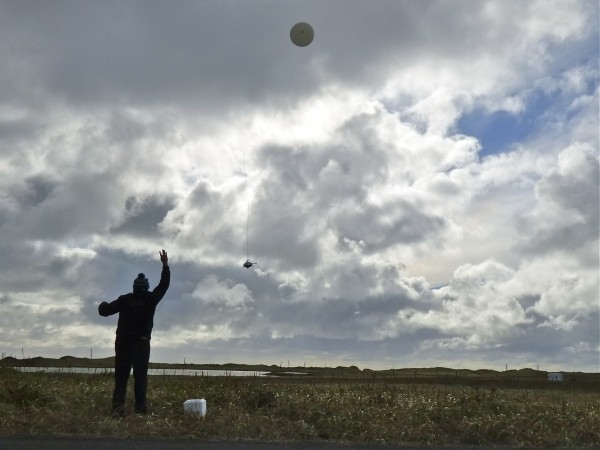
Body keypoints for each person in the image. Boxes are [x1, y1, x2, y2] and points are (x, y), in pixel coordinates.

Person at [98, 250, 170, 417]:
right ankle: (140, 410)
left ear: (134, 287)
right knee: (140, 377)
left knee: (121, 376)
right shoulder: (151, 299)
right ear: (146, 288)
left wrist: (101, 304)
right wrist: (165, 265)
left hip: (123, 342)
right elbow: (164, 285)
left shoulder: (124, 300)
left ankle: (117, 409)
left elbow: (105, 311)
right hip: (142, 342)